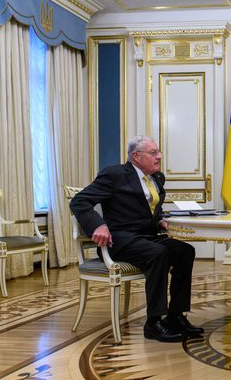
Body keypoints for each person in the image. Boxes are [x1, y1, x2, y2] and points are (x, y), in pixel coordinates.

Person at [70, 136, 203, 343]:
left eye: (158, 152)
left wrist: (159, 221)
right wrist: (98, 225)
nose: (159, 156)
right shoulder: (115, 174)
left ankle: (176, 316)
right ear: (136, 156)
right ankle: (153, 323)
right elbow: (80, 202)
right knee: (158, 254)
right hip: (120, 240)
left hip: (146, 237)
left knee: (185, 251)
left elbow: (148, 211)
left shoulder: (157, 178)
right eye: (153, 153)